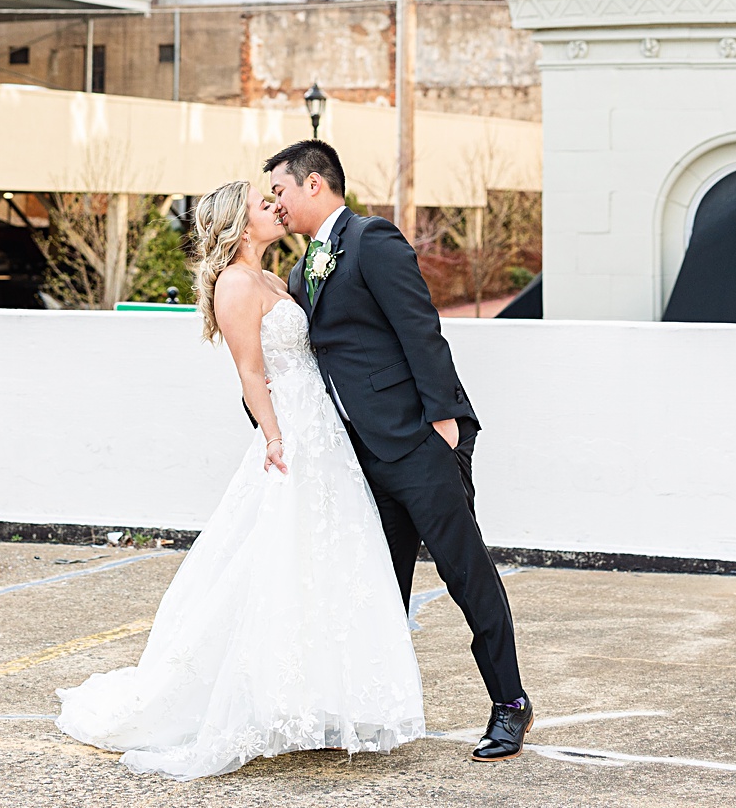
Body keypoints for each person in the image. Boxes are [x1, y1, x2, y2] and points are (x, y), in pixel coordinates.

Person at [55, 179, 424, 779]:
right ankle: (260, 701)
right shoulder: (233, 283)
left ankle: (321, 699)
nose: (276, 208)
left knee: (325, 558)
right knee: (275, 560)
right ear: (239, 223)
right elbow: (251, 371)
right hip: (292, 433)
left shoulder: (277, 277)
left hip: (322, 428)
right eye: (263, 203)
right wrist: (275, 438)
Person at [266, 139, 534, 765]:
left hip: (417, 441)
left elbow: (421, 330)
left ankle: (510, 704)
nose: (276, 204)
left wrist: (444, 425)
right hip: (358, 458)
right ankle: (371, 708)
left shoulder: (372, 240)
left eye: (280, 190)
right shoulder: (302, 271)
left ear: (314, 184)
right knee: (378, 588)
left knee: (465, 574)